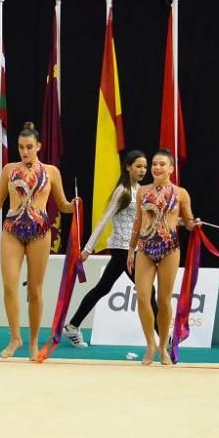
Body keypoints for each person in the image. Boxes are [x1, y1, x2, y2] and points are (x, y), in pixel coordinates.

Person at [0, 122, 75, 360]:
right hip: (12, 230)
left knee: (35, 290)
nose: (25, 151)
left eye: (29, 147)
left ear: (39, 146)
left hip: (39, 232)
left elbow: (63, 205)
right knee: (9, 284)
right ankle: (15, 337)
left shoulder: (51, 172)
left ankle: (34, 341)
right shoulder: (9, 170)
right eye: (20, 147)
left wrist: (74, 206)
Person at [63, 149, 158, 349]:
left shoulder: (140, 191)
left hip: (132, 249)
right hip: (122, 249)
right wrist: (88, 249)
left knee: (103, 288)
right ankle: (164, 338)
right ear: (128, 167)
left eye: (145, 167)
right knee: (148, 290)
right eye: (138, 166)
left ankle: (72, 326)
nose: (143, 170)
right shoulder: (122, 191)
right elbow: (104, 220)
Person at [127, 149, 199, 365]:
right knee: (142, 296)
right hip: (146, 249)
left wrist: (193, 225)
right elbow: (138, 222)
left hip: (169, 249)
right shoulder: (142, 192)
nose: (157, 168)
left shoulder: (180, 193)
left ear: (171, 168)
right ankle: (150, 344)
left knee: (164, 300)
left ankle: (162, 347)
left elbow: (187, 220)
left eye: (162, 164)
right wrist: (131, 250)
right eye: (154, 164)